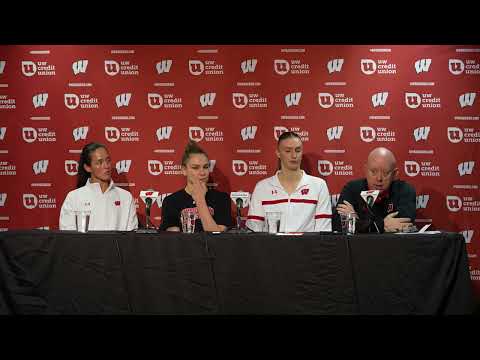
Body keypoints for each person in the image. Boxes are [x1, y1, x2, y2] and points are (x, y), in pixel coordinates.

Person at [246, 131, 332, 232]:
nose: (294, 155)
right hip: (272, 247)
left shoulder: (319, 185)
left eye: (298, 150)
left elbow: (323, 231)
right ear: (278, 153)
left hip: (307, 247)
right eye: (287, 151)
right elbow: (255, 231)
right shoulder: (262, 187)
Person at [333, 147, 416, 233]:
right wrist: (381, 226)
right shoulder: (352, 189)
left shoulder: (405, 190)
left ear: (395, 174)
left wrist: (358, 222)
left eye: (385, 173)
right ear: (365, 170)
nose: (379, 178)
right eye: (373, 172)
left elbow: (403, 226)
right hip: (360, 246)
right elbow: (337, 224)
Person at [59, 142, 138, 231]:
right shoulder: (74, 197)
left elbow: (131, 237)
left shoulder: (126, 197)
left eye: (108, 160)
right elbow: (67, 237)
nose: (106, 166)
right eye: (99, 162)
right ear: (88, 167)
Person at [159, 141, 232, 232]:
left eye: (205, 167)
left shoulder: (222, 199)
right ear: (184, 170)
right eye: (195, 167)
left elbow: (217, 234)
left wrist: (200, 199)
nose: (202, 173)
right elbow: (173, 239)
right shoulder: (171, 201)